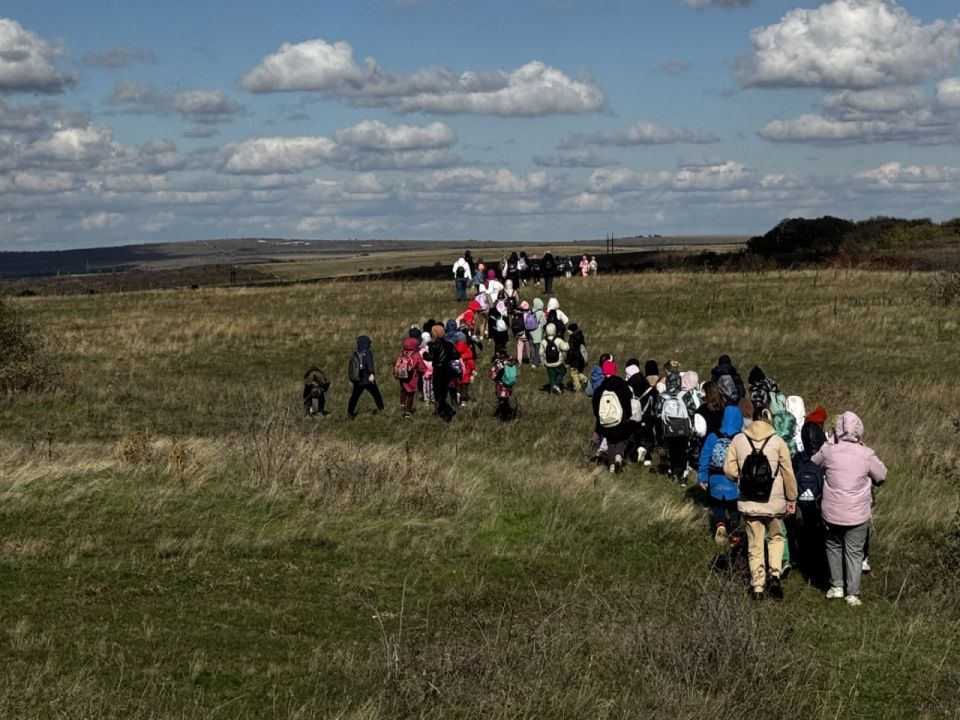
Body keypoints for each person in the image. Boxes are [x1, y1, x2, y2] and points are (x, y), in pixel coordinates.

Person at [813, 412, 887, 607]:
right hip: (857, 514)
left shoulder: (830, 451)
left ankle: (837, 586)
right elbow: (881, 476)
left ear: (837, 429)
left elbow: (814, 462)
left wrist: (831, 442)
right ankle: (852, 593)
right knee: (854, 552)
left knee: (833, 547)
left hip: (832, 512)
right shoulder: (866, 454)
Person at [724, 407, 798, 600]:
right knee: (776, 537)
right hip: (774, 502)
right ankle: (775, 575)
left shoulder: (738, 440)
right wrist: (791, 498)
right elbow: (788, 473)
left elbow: (729, 469)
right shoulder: (778, 442)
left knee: (754, 544)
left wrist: (740, 479)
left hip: (749, 501)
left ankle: (757, 586)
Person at [790, 407, 829, 584]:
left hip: (805, 492)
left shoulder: (798, 457)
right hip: (819, 491)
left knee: (808, 525)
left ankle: (807, 558)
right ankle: (820, 562)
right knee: (818, 526)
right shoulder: (823, 452)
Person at [699, 405, 744, 545]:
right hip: (733, 480)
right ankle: (734, 536)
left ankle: (720, 525)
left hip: (715, 477)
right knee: (733, 507)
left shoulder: (713, 435)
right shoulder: (741, 438)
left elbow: (704, 456)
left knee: (717, 504)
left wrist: (702, 476)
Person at [592, 360, 633, 473]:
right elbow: (628, 401)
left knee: (610, 442)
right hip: (621, 419)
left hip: (605, 420)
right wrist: (628, 416)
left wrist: (600, 419)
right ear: (614, 371)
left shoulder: (600, 388)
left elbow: (596, 407)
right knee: (621, 439)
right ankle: (619, 456)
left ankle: (611, 466)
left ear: (603, 372)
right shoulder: (621, 384)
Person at [656, 369, 693, 483]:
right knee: (682, 451)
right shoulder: (685, 395)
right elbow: (692, 410)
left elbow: (657, 413)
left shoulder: (662, 396)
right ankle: (681, 474)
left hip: (668, 428)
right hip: (683, 427)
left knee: (671, 451)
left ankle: (672, 471)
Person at [347, 335, 385, 418]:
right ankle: (381, 409)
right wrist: (371, 373)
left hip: (358, 380)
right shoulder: (367, 353)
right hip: (367, 379)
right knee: (376, 394)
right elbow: (369, 364)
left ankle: (349, 413)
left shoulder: (356, 353)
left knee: (354, 397)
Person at [427, 326, 457, 422]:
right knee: (444, 392)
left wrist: (425, 355)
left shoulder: (434, 345)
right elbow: (456, 355)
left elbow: (430, 357)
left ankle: (447, 410)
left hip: (438, 371)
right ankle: (442, 411)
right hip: (447, 370)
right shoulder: (449, 344)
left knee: (437, 393)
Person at [394, 336, 428, 417]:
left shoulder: (402, 353)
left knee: (403, 390)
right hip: (411, 378)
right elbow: (421, 366)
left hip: (402, 376)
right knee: (410, 393)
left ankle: (402, 404)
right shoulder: (416, 354)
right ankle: (408, 411)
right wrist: (425, 371)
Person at [540, 322, 569, 394]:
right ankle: (556, 384)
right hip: (558, 362)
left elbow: (541, 353)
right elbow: (565, 348)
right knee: (563, 372)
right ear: (555, 331)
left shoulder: (543, 341)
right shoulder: (558, 340)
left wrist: (542, 361)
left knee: (551, 376)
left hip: (548, 363)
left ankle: (552, 388)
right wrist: (567, 344)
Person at [565, 323, 588, 392]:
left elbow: (571, 352)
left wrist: (567, 362)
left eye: (568, 330)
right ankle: (585, 380)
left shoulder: (572, 340)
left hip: (575, 360)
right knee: (578, 372)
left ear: (572, 330)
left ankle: (577, 388)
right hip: (581, 359)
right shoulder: (580, 336)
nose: (567, 332)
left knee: (574, 374)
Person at [527, 298, 546, 366]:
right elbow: (544, 322)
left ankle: (532, 359)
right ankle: (536, 362)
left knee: (532, 347)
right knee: (537, 348)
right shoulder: (541, 313)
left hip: (530, 331)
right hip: (537, 332)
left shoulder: (531, 311)